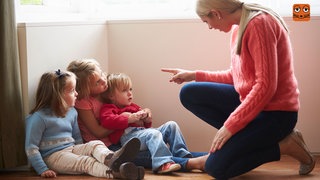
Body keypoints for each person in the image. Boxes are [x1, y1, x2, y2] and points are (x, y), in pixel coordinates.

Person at [161, 0, 315, 179]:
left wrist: (231, 125)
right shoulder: (238, 27)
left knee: (216, 168)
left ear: (216, 13)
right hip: (255, 105)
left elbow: (265, 87)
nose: (209, 27)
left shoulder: (259, 24)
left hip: (277, 115)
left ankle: (286, 144)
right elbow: (238, 76)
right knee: (189, 93)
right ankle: (233, 148)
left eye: (206, 21)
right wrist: (194, 74)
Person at [67, 59, 208, 172]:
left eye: (102, 75)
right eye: (98, 82)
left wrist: (144, 117)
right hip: (109, 148)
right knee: (149, 154)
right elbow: (99, 130)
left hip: (132, 136)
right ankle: (193, 163)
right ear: (85, 88)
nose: (104, 81)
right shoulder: (85, 102)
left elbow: (139, 120)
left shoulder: (106, 94)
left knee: (170, 127)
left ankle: (192, 157)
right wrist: (128, 120)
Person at [25, 69, 144, 179]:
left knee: (95, 144)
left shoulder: (71, 112)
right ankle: (116, 173)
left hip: (71, 148)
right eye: (72, 91)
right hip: (53, 157)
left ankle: (112, 159)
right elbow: (31, 147)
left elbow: (77, 138)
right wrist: (42, 169)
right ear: (58, 96)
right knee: (86, 162)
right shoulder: (38, 118)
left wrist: (85, 149)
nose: (76, 93)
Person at [100, 73, 203, 174]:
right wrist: (128, 119)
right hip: (128, 138)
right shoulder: (109, 108)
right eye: (124, 90)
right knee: (153, 134)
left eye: (130, 89)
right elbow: (107, 122)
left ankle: (182, 156)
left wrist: (146, 120)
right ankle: (162, 164)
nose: (129, 93)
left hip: (142, 133)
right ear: (111, 95)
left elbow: (146, 127)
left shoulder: (133, 106)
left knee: (172, 125)